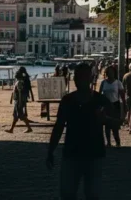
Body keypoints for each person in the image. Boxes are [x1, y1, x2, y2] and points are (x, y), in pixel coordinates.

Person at [47, 63, 115, 200]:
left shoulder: (100, 100)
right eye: (78, 77)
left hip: (94, 154)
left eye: (84, 77)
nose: (80, 80)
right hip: (72, 154)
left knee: (92, 194)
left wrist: (105, 119)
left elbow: (117, 121)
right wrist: (50, 150)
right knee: (67, 194)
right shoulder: (67, 100)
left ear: (90, 78)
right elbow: (58, 126)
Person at [99, 66, 125, 148]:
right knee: (106, 125)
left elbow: (122, 96)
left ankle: (118, 142)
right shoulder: (103, 83)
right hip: (106, 106)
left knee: (115, 126)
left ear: (114, 73)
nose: (110, 74)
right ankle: (108, 142)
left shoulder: (118, 83)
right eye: (108, 72)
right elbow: (99, 95)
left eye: (111, 72)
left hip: (115, 105)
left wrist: (124, 106)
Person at [7, 67, 34, 133]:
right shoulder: (20, 82)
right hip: (19, 100)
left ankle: (28, 128)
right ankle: (11, 129)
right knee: (15, 115)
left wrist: (19, 103)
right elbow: (14, 91)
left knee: (20, 115)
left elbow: (19, 93)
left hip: (19, 101)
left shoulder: (19, 83)